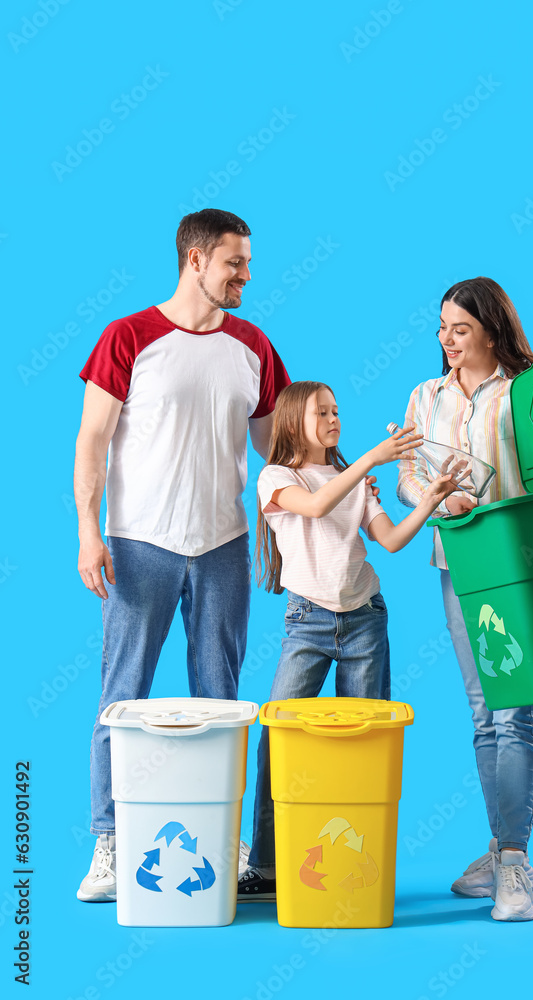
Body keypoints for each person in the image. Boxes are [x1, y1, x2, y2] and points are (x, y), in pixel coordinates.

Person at [74, 209, 292, 902]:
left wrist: (341, 480)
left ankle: (223, 841)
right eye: (235, 262)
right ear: (195, 261)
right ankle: (109, 843)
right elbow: (91, 442)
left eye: (248, 263)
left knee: (221, 700)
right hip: (141, 544)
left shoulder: (252, 344)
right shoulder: (128, 337)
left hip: (222, 543)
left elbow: (276, 447)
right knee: (121, 697)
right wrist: (89, 530)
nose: (246, 276)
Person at [397, 276, 533, 922]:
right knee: (481, 708)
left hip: (522, 561)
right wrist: (434, 500)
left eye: (459, 329)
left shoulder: (525, 390)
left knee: (513, 710)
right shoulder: (424, 396)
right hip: (458, 560)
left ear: (491, 330)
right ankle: (499, 850)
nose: (446, 341)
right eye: (440, 328)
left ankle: (514, 861)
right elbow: (408, 477)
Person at [237, 381, 464, 901]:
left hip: (364, 619)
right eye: (323, 411)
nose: (334, 418)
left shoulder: (351, 479)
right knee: (279, 738)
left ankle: (357, 859)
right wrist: (370, 461)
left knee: (365, 746)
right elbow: (314, 507)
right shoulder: (278, 477)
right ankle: (268, 866)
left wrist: (430, 499)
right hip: (307, 622)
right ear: (295, 420)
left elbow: (389, 541)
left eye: (337, 410)